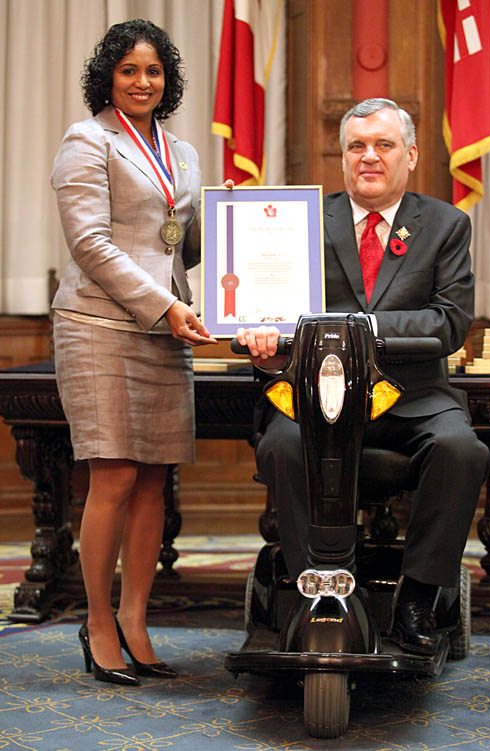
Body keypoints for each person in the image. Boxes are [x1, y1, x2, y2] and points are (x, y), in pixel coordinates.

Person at [236, 98, 490, 656]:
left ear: (411, 155)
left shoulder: (446, 224)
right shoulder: (303, 222)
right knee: (281, 445)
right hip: (317, 396)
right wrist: (261, 339)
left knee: (463, 451)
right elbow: (268, 310)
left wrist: (355, 327)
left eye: (383, 145)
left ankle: (420, 597)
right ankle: (318, 589)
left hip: (414, 397)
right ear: (343, 156)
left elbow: (448, 323)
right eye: (356, 146)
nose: (368, 157)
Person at [51, 19, 216, 685]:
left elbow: (187, 243)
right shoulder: (87, 142)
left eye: (153, 71)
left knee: (154, 478)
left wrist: (249, 226)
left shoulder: (182, 152)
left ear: (167, 80)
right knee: (114, 474)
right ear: (108, 79)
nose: (143, 82)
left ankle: (136, 618)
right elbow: (90, 244)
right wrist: (165, 305)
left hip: (164, 330)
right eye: (129, 71)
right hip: (102, 326)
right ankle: (96, 623)